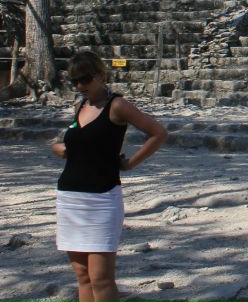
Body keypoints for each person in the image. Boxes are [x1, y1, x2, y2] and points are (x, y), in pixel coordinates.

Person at [54, 52, 167, 302]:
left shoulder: (117, 105)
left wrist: (130, 164)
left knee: (101, 278)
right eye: (74, 81)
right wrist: (62, 149)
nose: (79, 86)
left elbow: (158, 132)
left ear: (100, 75)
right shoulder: (81, 106)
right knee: (82, 275)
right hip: (70, 197)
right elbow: (73, 143)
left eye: (84, 79)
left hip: (101, 198)